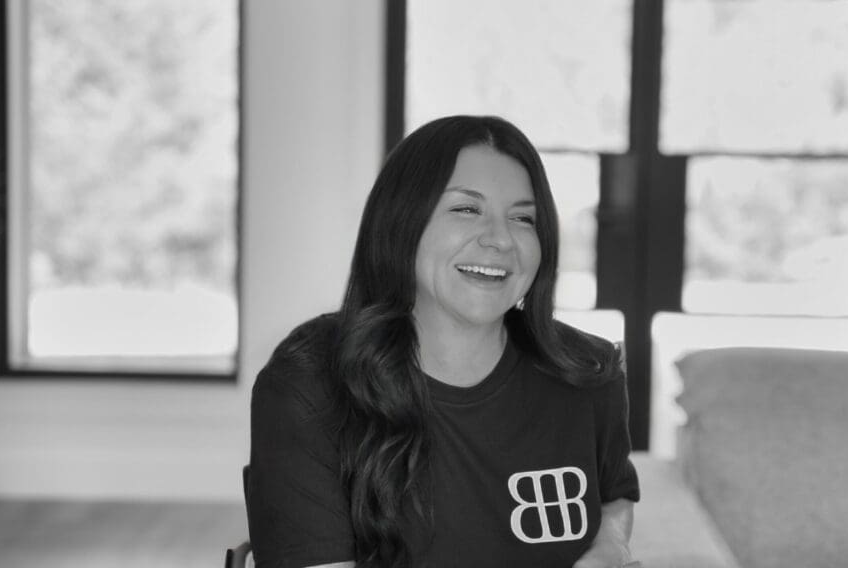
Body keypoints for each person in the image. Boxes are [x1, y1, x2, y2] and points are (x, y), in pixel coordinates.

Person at [247, 115, 640, 568]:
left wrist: (611, 546)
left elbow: (614, 496)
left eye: (522, 217)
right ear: (402, 221)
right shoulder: (311, 381)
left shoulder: (586, 371)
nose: (499, 239)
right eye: (466, 209)